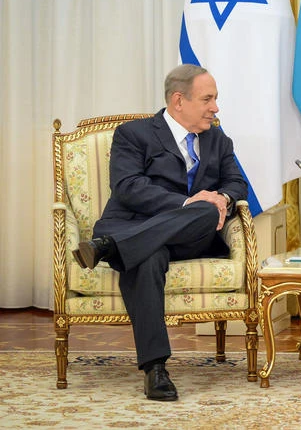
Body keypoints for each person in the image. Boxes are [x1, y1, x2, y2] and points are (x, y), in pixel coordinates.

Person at [72, 64, 248, 401]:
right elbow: (127, 187)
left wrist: (221, 198)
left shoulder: (218, 139)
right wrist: (186, 203)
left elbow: (237, 184)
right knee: (148, 257)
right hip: (135, 226)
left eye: (215, 99)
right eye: (207, 99)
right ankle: (155, 370)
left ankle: (110, 247)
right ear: (179, 100)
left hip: (191, 237)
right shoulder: (133, 134)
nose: (215, 108)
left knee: (207, 210)